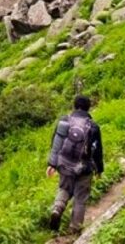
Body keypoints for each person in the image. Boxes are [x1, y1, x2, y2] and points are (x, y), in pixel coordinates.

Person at [47, 95, 104, 235]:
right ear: (88, 107)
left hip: (64, 165)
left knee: (64, 188)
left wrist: (52, 164)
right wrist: (99, 169)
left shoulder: (64, 121)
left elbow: (55, 143)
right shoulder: (93, 126)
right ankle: (74, 229)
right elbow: (97, 150)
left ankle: (57, 209)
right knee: (80, 198)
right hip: (84, 168)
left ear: (74, 106)